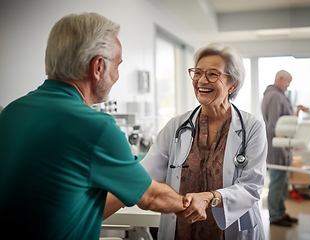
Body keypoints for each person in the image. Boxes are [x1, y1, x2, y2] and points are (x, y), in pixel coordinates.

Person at [0, 12, 202, 240]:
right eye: (117, 66)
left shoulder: (10, 112)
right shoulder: (95, 127)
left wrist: (132, 180)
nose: (117, 76)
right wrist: (187, 204)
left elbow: (67, 200)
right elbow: (151, 198)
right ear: (97, 67)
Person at [141, 43, 268, 240]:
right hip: (182, 231)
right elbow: (145, 175)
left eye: (213, 74)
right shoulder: (176, 126)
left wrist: (210, 198)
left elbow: (251, 186)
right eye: (198, 72)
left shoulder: (252, 127)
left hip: (228, 231)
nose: (202, 80)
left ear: (232, 85)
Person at [261, 70, 309, 227]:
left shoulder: (277, 95)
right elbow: (274, 124)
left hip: (282, 146)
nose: (289, 85)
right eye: (288, 81)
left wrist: (296, 112)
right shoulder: (275, 96)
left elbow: (285, 122)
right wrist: (286, 146)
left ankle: (280, 212)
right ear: (279, 79)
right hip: (278, 148)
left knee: (282, 182)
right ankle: (275, 216)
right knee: (277, 182)